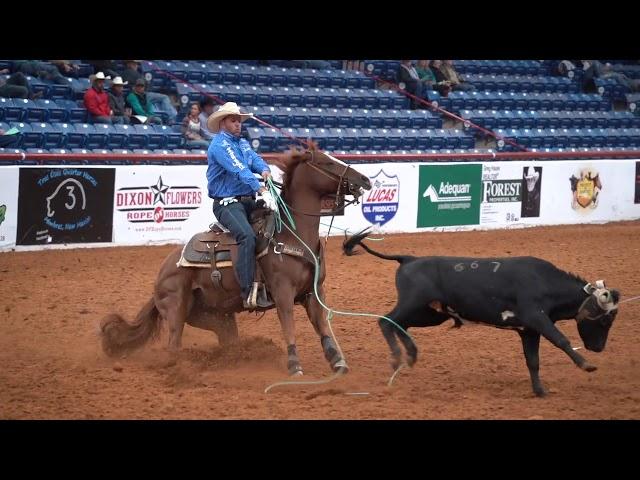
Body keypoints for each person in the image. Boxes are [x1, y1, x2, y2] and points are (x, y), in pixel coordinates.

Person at [206, 102, 278, 310]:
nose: (238, 124)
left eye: (238, 120)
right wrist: (261, 188)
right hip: (226, 203)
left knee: (275, 223)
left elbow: (255, 160)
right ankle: (248, 292)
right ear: (222, 123)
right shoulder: (220, 145)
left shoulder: (242, 143)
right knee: (246, 236)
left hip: (247, 201)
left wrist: (264, 170)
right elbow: (238, 169)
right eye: (233, 120)